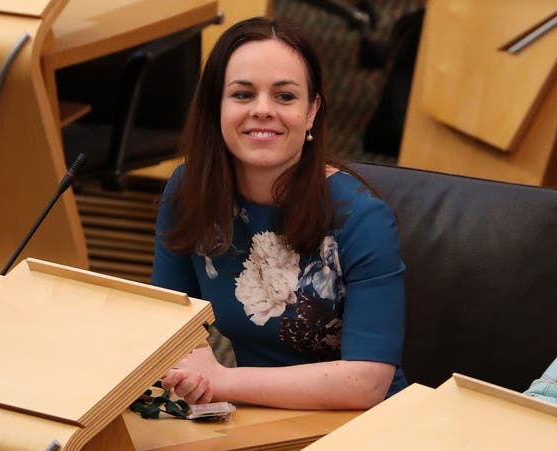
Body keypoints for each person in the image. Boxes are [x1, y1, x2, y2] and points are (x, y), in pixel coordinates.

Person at [151, 16, 407, 410]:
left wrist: (223, 380)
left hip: (360, 425)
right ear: (214, 106)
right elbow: (167, 323)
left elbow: (367, 381)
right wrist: (187, 373)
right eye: (242, 95)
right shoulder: (189, 191)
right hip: (253, 416)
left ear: (311, 111)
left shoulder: (360, 217)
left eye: (285, 97)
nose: (263, 110)